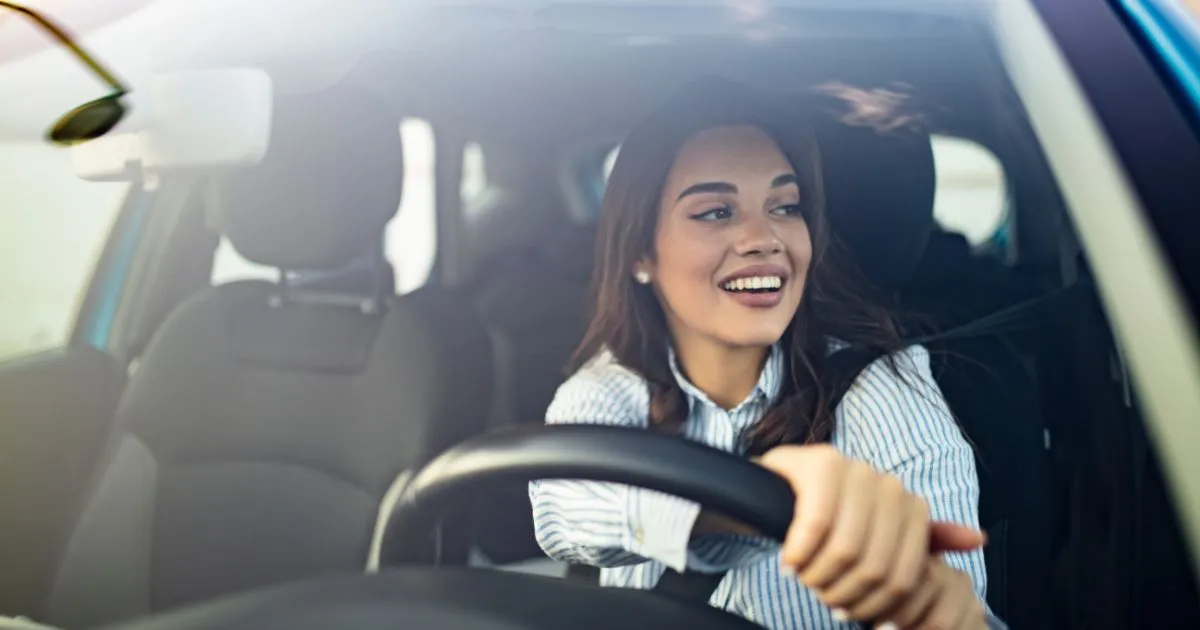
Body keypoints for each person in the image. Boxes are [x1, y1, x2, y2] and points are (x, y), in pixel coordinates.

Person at [528, 78, 1003, 630]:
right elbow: (563, 511)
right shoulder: (613, 384)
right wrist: (746, 506)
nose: (764, 238)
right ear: (640, 253)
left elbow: (951, 606)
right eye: (715, 213)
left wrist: (926, 606)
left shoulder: (883, 389)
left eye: (785, 206)